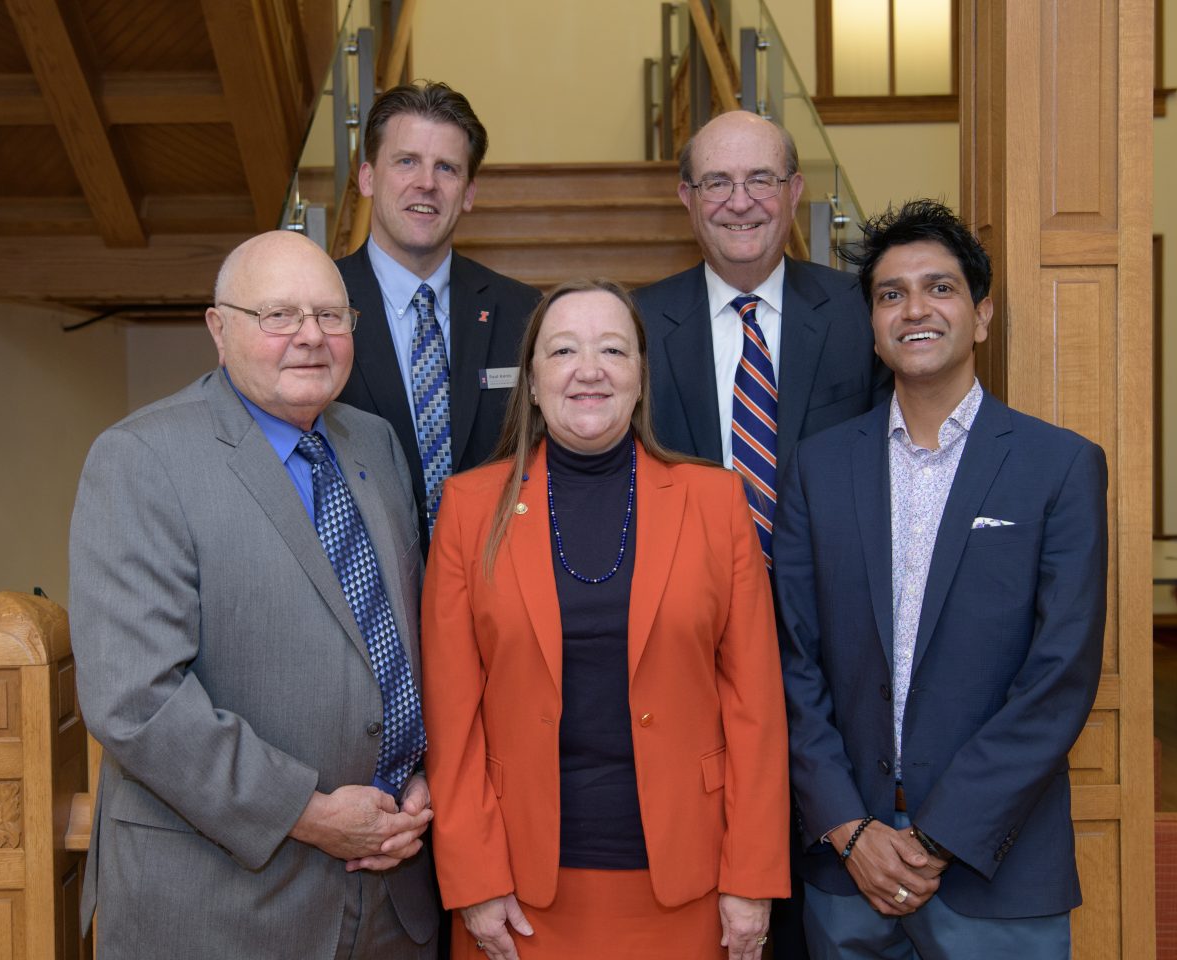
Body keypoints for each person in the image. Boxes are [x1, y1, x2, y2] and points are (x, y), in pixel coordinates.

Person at [69, 231, 438, 959]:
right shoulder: (142, 459)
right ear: (219, 328)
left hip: (390, 894)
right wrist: (306, 811)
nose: (311, 337)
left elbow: (405, 640)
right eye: (279, 316)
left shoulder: (374, 444)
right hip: (224, 903)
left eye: (332, 316)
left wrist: (425, 771)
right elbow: (136, 699)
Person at [413, 279, 790, 959]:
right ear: (531, 382)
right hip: (518, 894)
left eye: (613, 349)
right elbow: (451, 714)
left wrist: (752, 876)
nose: (589, 369)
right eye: (563, 351)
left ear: (642, 376)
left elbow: (756, 706)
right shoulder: (469, 509)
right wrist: (472, 877)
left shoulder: (716, 503)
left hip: (689, 883)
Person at [774, 200, 1107, 959]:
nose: (914, 308)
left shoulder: (1058, 467)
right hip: (847, 868)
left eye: (940, 288)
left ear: (982, 316)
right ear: (873, 325)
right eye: (891, 294)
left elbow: (1060, 675)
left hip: (999, 872)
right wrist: (849, 829)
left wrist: (938, 836)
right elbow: (790, 659)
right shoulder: (819, 469)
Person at [634, 110, 891, 570]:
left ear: (793, 193)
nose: (739, 202)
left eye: (760, 180)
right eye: (716, 182)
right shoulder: (636, 325)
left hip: (829, 600)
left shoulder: (859, 312)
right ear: (686, 198)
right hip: (688, 598)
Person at [336, 80, 541, 553]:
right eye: (406, 161)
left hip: (495, 582)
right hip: (363, 590)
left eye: (446, 168)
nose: (425, 182)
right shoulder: (318, 308)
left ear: (468, 193)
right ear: (367, 178)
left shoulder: (524, 312)